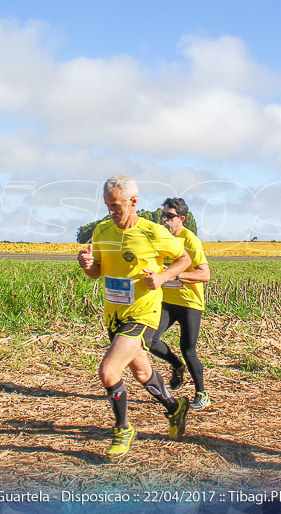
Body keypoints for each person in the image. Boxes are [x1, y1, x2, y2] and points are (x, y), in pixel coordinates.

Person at [77, 175, 192, 460]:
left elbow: (185, 259)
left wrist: (163, 276)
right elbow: (97, 271)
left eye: (116, 206)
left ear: (134, 202)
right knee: (141, 372)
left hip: (143, 314)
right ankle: (174, 407)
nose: (112, 212)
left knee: (108, 371)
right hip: (115, 316)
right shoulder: (102, 231)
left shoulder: (153, 232)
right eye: (107, 206)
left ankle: (123, 428)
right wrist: (87, 265)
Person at [148, 197, 213, 410]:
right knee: (149, 340)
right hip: (167, 301)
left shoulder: (190, 240)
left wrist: (172, 276)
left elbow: (205, 274)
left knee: (188, 350)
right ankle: (176, 366)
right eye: (163, 215)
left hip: (189, 303)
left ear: (181, 219)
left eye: (169, 216)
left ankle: (202, 393)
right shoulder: (161, 239)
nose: (164, 219)